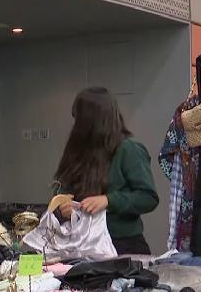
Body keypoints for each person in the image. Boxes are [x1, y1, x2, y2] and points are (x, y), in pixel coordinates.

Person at [53, 86, 159, 254]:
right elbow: (61, 188)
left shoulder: (128, 150)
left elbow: (148, 197)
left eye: (80, 119)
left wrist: (108, 200)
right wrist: (62, 207)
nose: (76, 125)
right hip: (80, 244)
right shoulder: (76, 151)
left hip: (123, 247)